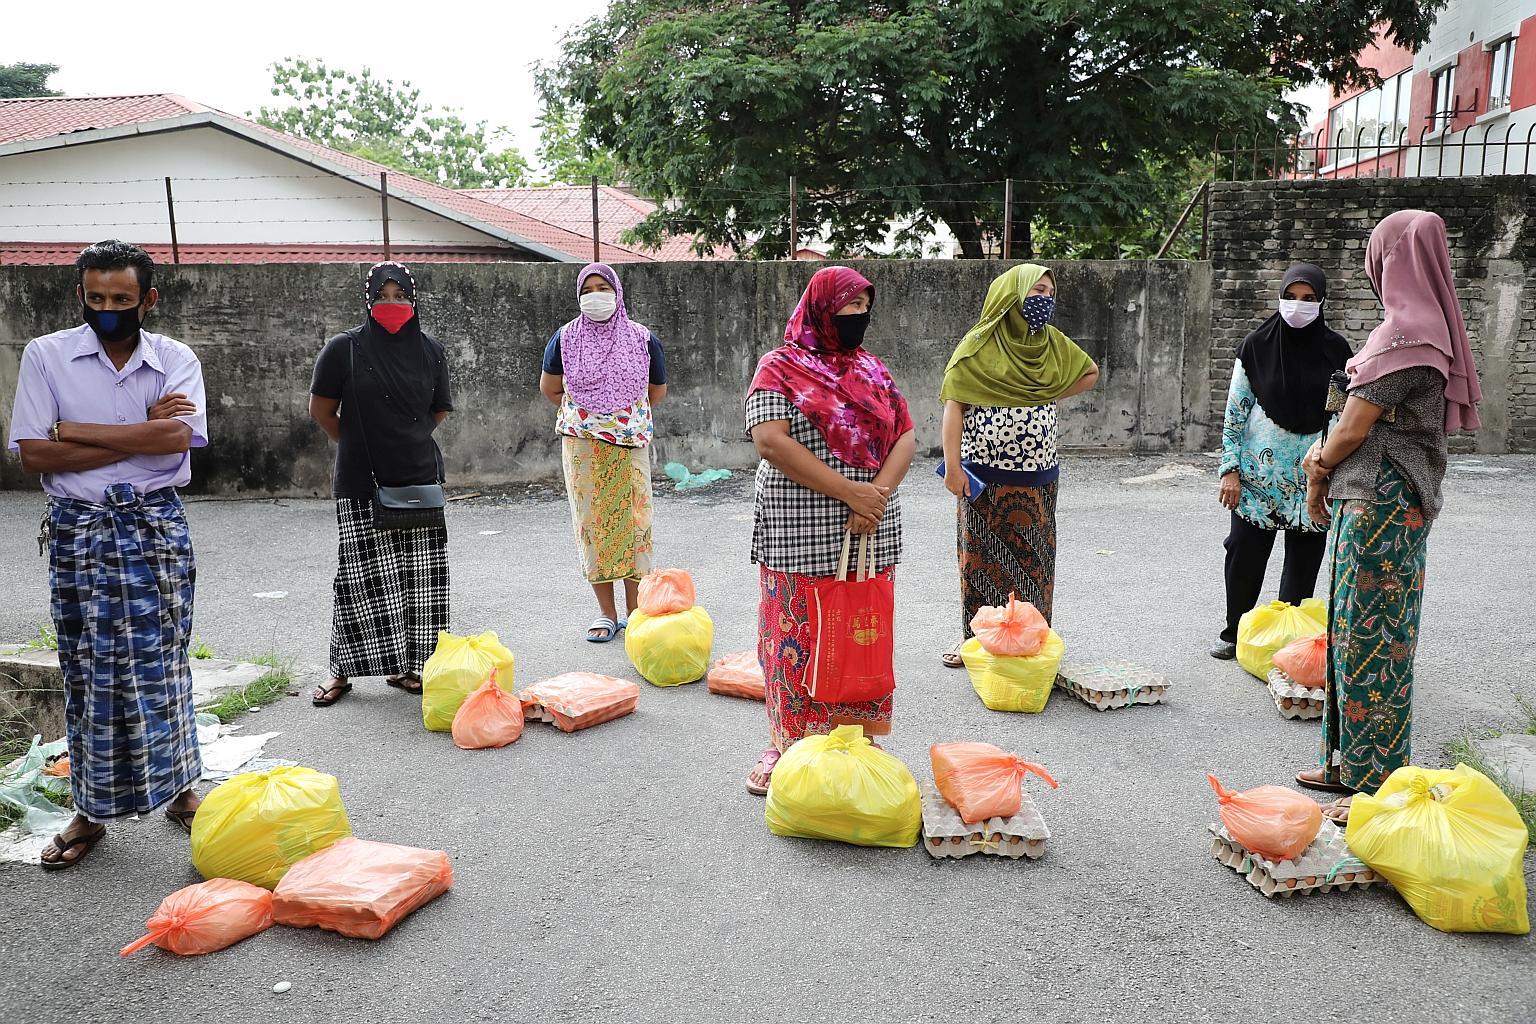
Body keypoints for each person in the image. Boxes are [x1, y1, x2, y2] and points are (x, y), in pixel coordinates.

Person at [7, 240, 208, 869]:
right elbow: (34, 454)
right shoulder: (47, 356)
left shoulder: (175, 359)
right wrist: (137, 438)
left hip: (153, 530)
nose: (108, 309)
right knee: (88, 670)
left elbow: (177, 439)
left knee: (163, 660)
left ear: (147, 299)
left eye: (122, 299)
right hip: (80, 532)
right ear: (80, 296)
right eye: (96, 298)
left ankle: (180, 791)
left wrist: (74, 430)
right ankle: (89, 811)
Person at [1297, 210, 1481, 825]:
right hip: (1368, 498)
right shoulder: (1405, 329)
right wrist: (1325, 463)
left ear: (1394, 259)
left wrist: (1318, 467)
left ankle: (1376, 782)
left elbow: (1354, 425)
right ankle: (1344, 762)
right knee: (1348, 628)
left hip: (1385, 501)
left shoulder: (1412, 334)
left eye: (1379, 254)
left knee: (1376, 638)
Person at [744, 266, 916, 794]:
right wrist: (851, 492)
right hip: (799, 529)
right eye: (848, 307)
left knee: (859, 635)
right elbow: (770, 440)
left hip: (868, 529)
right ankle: (788, 746)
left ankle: (855, 738)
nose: (858, 317)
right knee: (794, 638)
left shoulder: (872, 370)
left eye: (865, 307)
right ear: (821, 308)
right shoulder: (780, 367)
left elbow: (906, 435)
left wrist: (875, 496)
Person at [938, 263, 1098, 667]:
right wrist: (952, 467)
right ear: (1011, 295)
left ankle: (1030, 642)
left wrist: (1044, 393)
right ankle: (974, 643)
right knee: (979, 562)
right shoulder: (977, 346)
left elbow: (1090, 372)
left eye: (1048, 292)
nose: (1043, 300)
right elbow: (954, 407)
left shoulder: (1050, 343)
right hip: (984, 479)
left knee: (1035, 564)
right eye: (1035, 292)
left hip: (1038, 480)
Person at [309, 262, 453, 706]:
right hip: (360, 480)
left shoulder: (431, 350)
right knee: (358, 579)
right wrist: (357, 444)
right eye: (382, 295)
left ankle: (412, 667)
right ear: (368, 299)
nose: (392, 304)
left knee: (420, 581)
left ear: (413, 299)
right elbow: (321, 410)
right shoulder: (344, 350)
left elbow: (439, 410)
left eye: (400, 295)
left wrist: (405, 439)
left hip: (418, 477)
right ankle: (341, 671)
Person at [1210, 263, 1352, 660]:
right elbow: (1235, 412)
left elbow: (1340, 416)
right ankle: (1234, 631)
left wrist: (1329, 469)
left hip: (1313, 479)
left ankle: (1286, 640)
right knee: (1242, 553)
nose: (1297, 306)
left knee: (1304, 563)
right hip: (1257, 479)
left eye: (1308, 299)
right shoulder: (1256, 346)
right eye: (1290, 297)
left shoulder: (1336, 351)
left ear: (1322, 302)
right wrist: (1229, 470)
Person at [539, 263, 668, 643]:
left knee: (634, 524)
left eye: (603, 287)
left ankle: (635, 612)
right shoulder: (564, 339)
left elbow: (656, 391)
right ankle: (606, 613)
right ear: (579, 297)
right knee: (593, 524)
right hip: (583, 446)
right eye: (587, 290)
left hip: (630, 443)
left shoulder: (643, 339)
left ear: (618, 292)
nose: (596, 296)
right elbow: (550, 389)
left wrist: (617, 415)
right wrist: (591, 416)